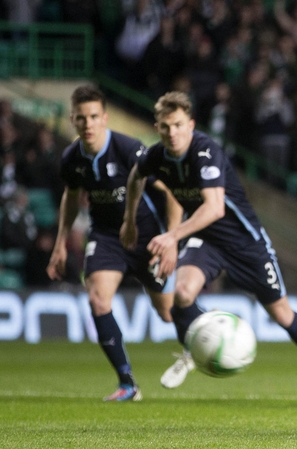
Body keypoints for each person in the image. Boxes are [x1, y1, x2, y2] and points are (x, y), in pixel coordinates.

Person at [121, 91, 297, 405]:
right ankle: (194, 347)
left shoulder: (206, 151)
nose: (171, 133)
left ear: (191, 124)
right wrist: (129, 220)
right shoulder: (156, 156)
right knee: (182, 295)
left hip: (244, 241)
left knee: (281, 314)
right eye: (164, 126)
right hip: (207, 240)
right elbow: (135, 176)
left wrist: (172, 237)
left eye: (177, 125)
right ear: (157, 128)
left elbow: (214, 208)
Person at [47, 85, 182, 402]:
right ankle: (127, 384)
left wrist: (172, 238)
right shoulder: (72, 158)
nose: (88, 124)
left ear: (105, 118)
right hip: (107, 237)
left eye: (94, 116)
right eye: (81, 118)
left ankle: (206, 332)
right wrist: (60, 243)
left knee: (167, 312)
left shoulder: (127, 149)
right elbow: (70, 198)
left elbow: (172, 189)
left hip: (146, 237)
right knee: (97, 299)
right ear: (72, 120)